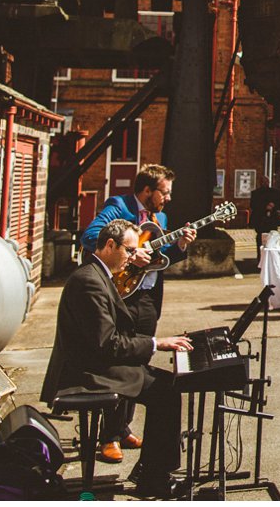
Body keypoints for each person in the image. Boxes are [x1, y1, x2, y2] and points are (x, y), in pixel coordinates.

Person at [43, 220, 193, 499]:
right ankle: (154, 479)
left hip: (95, 362)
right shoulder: (89, 281)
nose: (133, 256)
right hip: (86, 372)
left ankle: (151, 470)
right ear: (110, 245)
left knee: (165, 385)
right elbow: (107, 343)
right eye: (129, 249)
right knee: (166, 391)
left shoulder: (97, 274)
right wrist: (155, 343)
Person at [79, 164, 195, 463]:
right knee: (120, 361)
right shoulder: (119, 207)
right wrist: (131, 251)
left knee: (140, 362)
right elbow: (92, 235)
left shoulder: (162, 218)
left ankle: (123, 426)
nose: (167, 198)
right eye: (164, 192)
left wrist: (180, 244)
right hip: (123, 294)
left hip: (147, 297)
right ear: (147, 191)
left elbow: (161, 258)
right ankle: (109, 437)